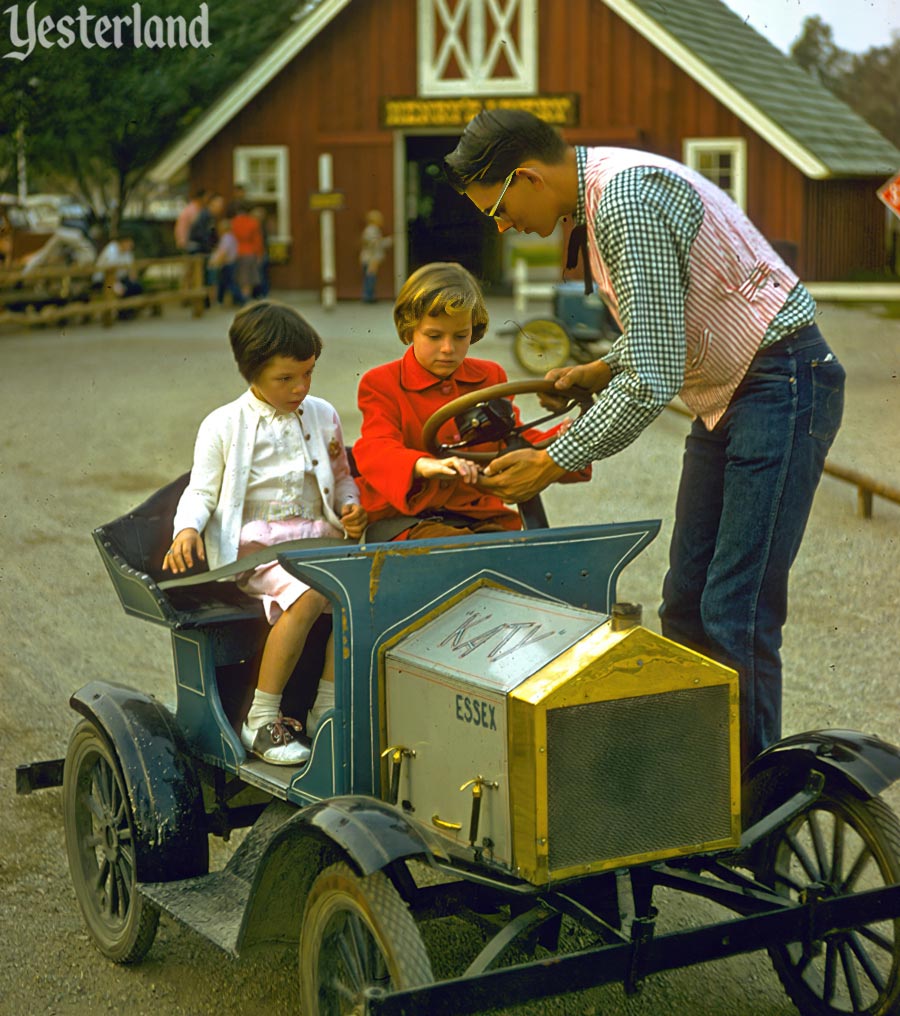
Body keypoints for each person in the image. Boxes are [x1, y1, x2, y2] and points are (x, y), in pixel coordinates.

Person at [443, 109, 846, 767]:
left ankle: (751, 805)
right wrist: (601, 367)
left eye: (497, 210)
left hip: (781, 381)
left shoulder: (624, 202)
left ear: (527, 177)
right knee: (685, 605)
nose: (505, 226)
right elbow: (665, 325)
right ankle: (696, 781)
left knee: (734, 613)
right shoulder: (607, 190)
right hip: (732, 393)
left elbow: (654, 378)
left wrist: (551, 458)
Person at [163, 300, 367, 765]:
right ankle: (262, 716)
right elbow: (201, 491)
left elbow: (342, 476)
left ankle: (328, 708)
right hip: (257, 548)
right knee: (311, 593)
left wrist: (348, 506)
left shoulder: (321, 414)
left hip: (318, 536)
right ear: (251, 373)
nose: (301, 387)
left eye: (309, 374)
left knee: (359, 586)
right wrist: (187, 530)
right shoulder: (223, 424)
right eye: (286, 379)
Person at [353, 261, 587, 540]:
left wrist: (564, 439)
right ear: (409, 330)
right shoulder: (381, 383)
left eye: (460, 336)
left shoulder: (489, 376)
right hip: (405, 519)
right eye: (434, 336)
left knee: (522, 558)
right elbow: (375, 447)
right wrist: (423, 465)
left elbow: (512, 439)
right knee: (462, 556)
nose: (448, 349)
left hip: (477, 517)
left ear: (473, 331)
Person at [230, 203, 264, 301]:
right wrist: (259, 253)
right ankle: (246, 297)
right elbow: (257, 240)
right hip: (250, 251)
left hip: (237, 252)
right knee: (249, 277)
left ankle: (242, 296)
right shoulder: (253, 222)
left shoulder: (234, 222)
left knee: (241, 276)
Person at [208, 217, 245, 307]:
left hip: (228, 264)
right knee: (224, 283)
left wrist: (216, 262)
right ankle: (221, 300)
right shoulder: (231, 237)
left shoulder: (226, 238)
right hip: (230, 263)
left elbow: (223, 252)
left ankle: (242, 299)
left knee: (229, 284)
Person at [92, 234, 142, 299]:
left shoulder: (127, 251)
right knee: (121, 291)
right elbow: (109, 273)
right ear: (123, 242)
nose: (131, 245)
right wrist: (118, 286)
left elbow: (131, 269)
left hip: (119, 279)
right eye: (129, 242)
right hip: (103, 281)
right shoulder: (111, 250)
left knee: (136, 288)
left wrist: (133, 279)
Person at [359, 209, 389, 303]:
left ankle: (368, 295)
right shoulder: (373, 230)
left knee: (368, 277)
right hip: (371, 258)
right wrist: (388, 241)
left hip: (368, 257)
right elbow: (374, 243)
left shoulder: (369, 229)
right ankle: (368, 297)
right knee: (370, 277)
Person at [174, 188, 208, 252]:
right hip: (187, 242)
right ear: (201, 198)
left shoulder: (199, 208)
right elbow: (182, 227)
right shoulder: (192, 209)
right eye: (206, 198)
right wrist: (183, 242)